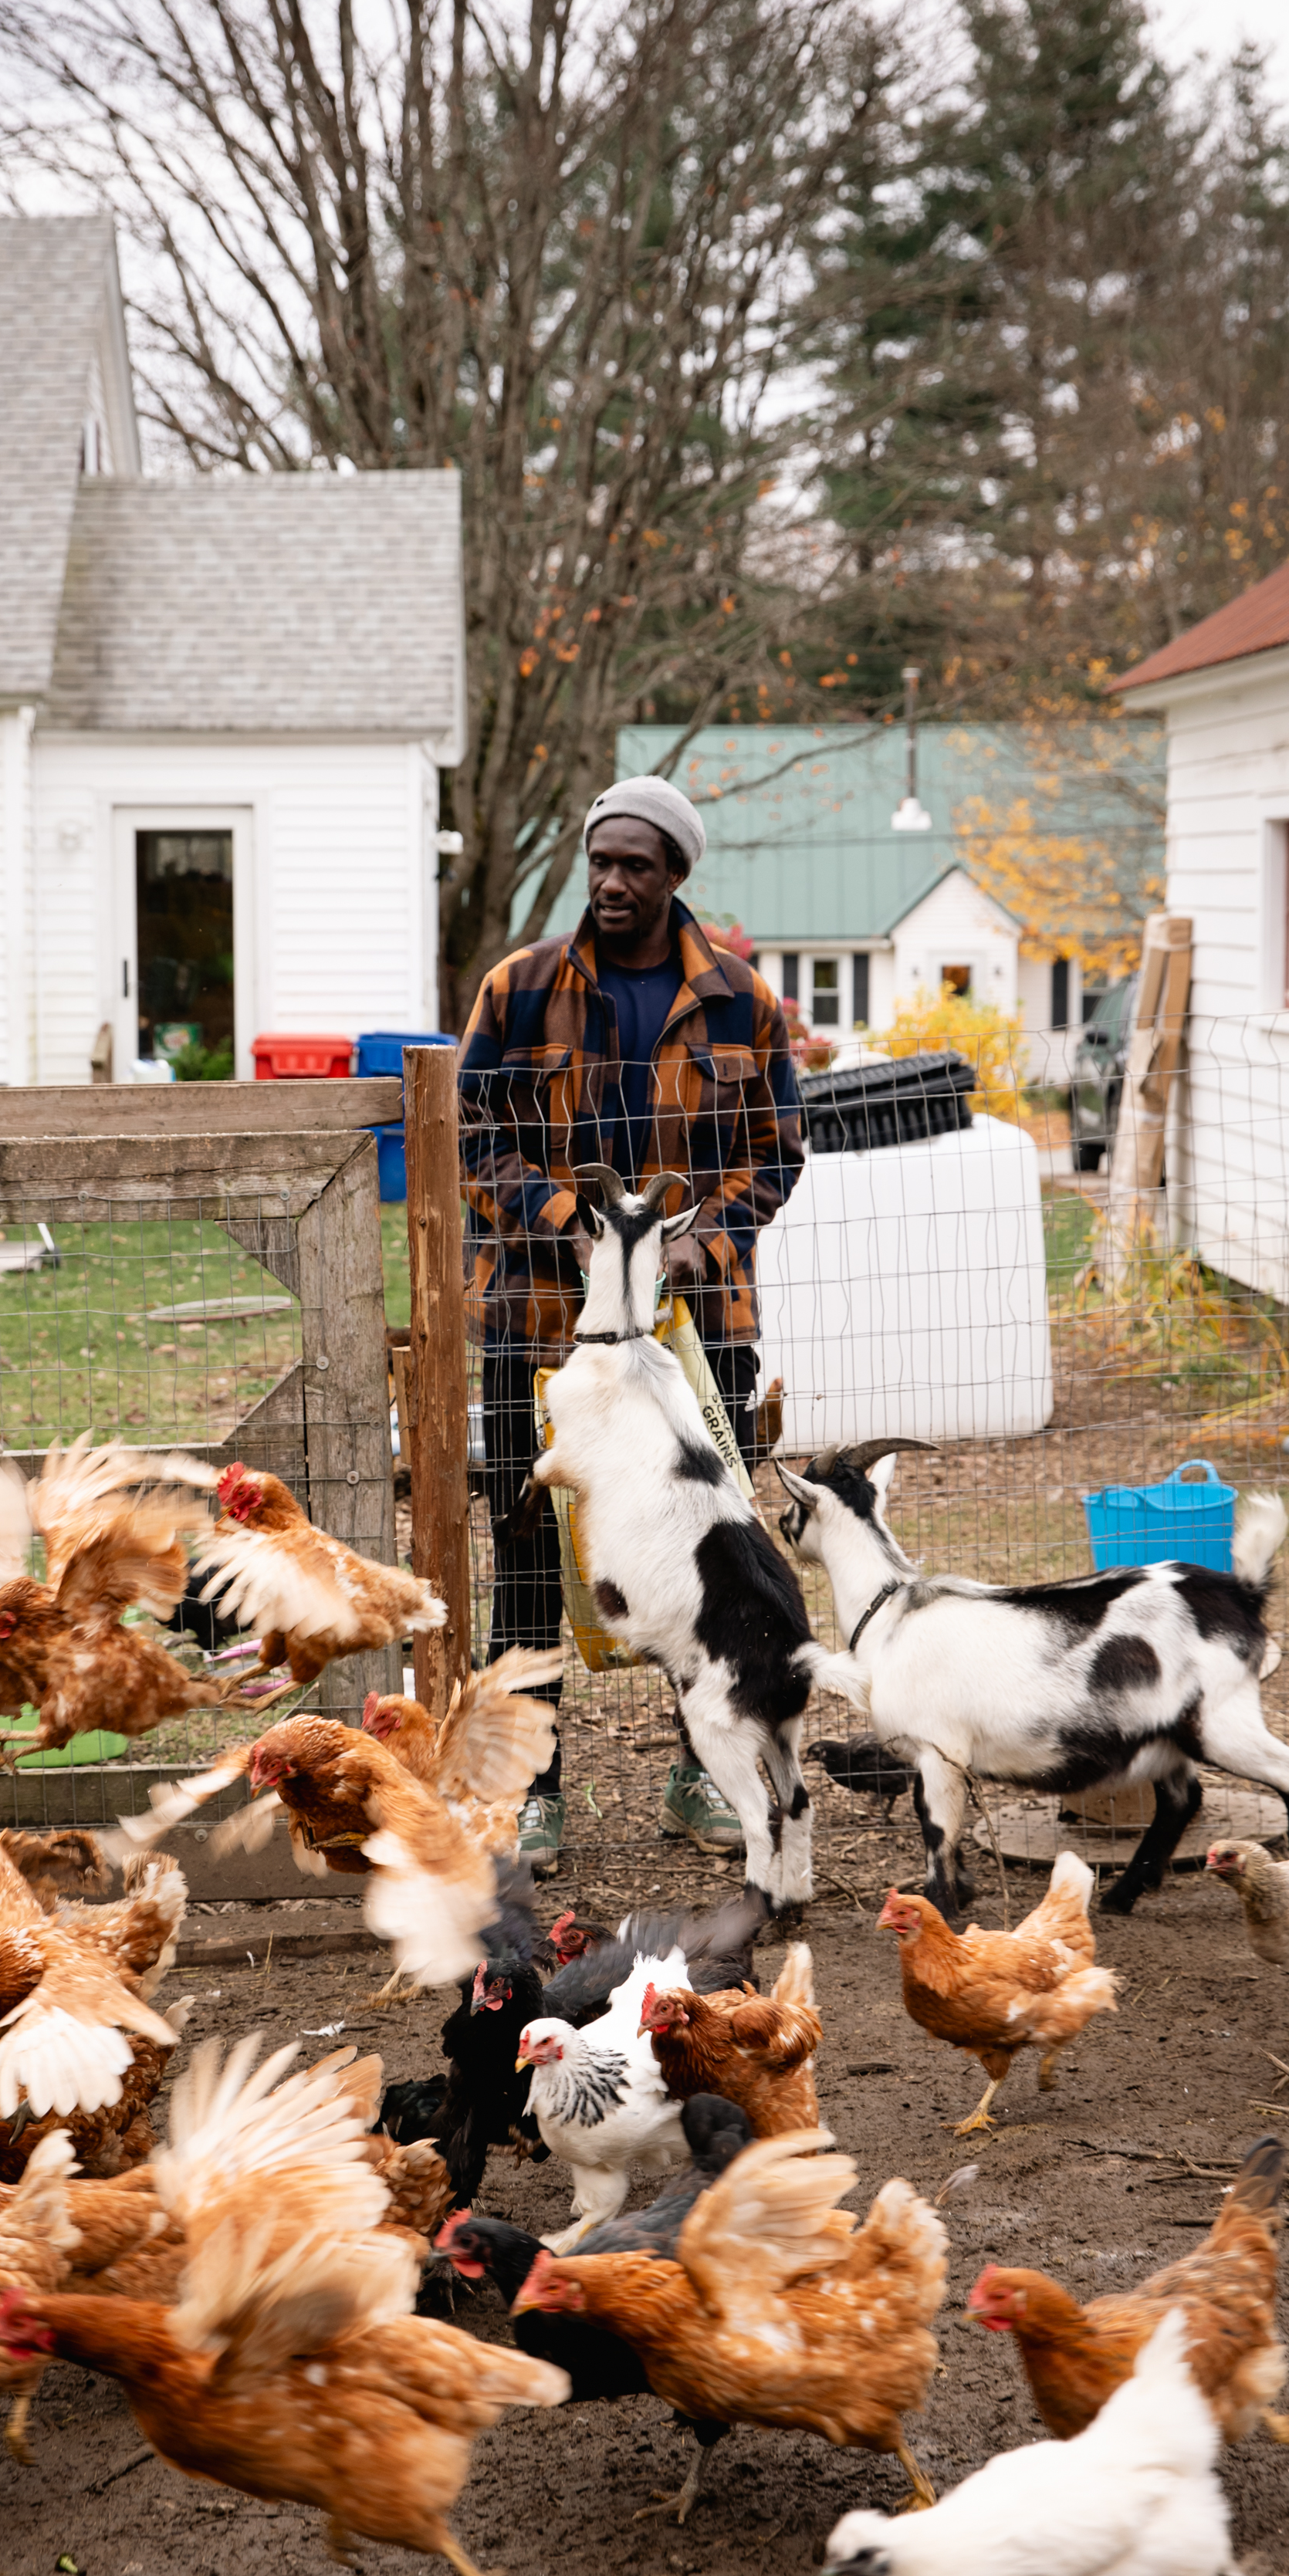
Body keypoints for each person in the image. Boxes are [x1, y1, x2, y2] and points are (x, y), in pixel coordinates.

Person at [458, 772, 805, 1872]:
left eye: (635, 866)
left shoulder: (743, 1002)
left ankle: (705, 1774)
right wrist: (565, 1222)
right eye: (600, 861)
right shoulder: (519, 990)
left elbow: (779, 1148)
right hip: (539, 1320)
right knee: (523, 1554)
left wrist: (702, 1240)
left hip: (698, 1327)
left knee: (700, 1553)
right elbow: (470, 1133)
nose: (611, 882)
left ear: (675, 876)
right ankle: (532, 1794)